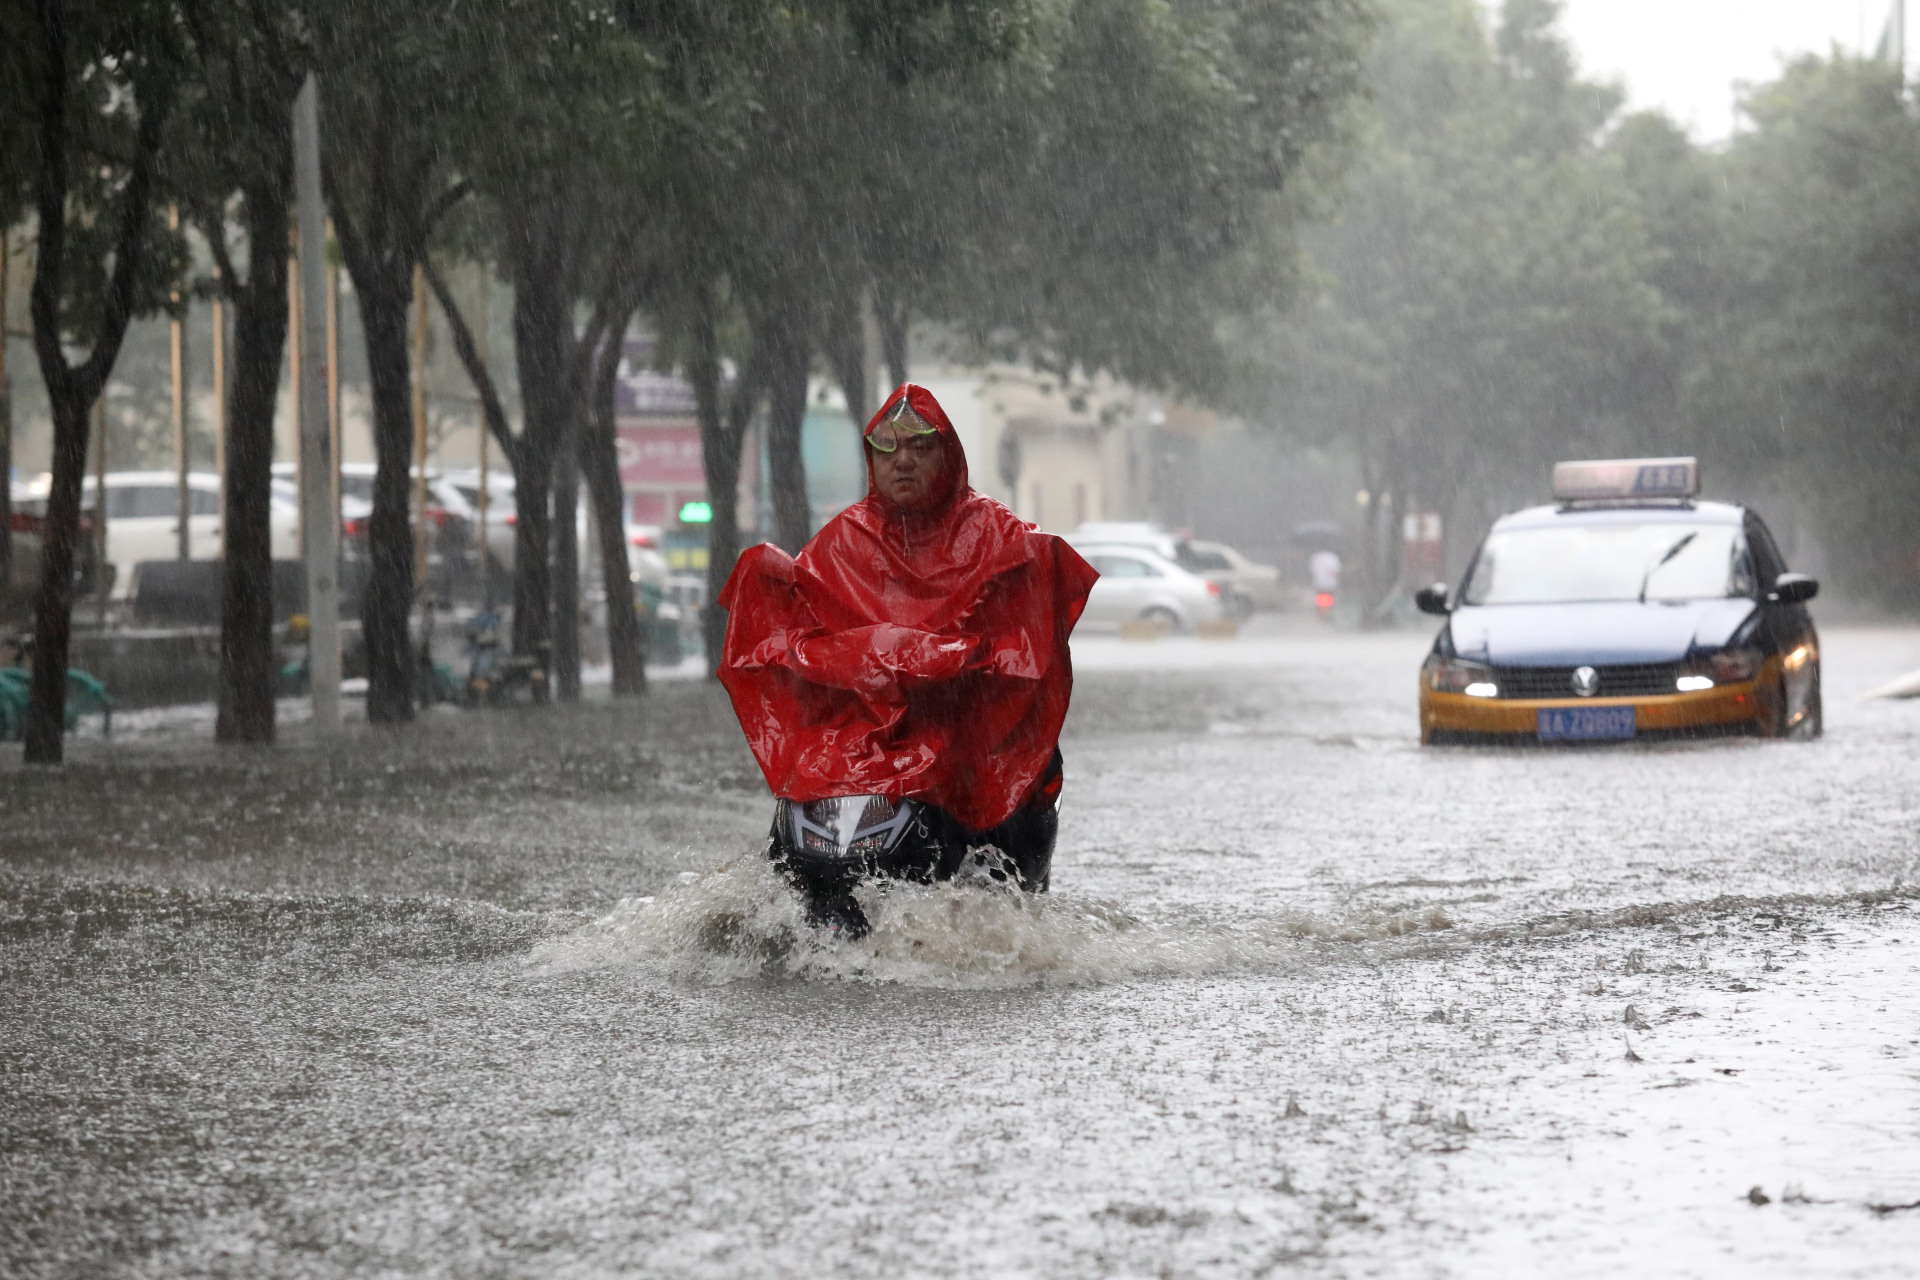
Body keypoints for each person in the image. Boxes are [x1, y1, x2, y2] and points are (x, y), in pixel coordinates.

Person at [716, 383, 1098, 889]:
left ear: (948, 455)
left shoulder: (996, 533)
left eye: (920, 447)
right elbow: (798, 626)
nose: (903, 462)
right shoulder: (839, 542)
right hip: (861, 749)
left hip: (963, 739)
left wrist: (951, 664)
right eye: (887, 448)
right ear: (870, 460)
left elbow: (1025, 633)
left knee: (1010, 805)